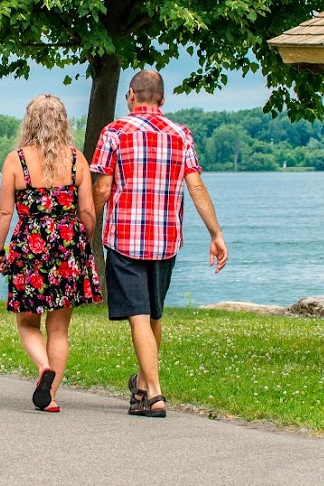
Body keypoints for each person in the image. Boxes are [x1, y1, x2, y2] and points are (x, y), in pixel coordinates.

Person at [90, 70, 227, 418]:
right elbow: (195, 187)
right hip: (166, 240)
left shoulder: (114, 133)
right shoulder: (181, 135)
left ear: (131, 96)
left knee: (138, 315)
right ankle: (140, 386)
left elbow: (103, 188)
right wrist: (216, 233)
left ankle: (154, 393)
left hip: (124, 238)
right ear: (162, 100)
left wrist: (85, 221)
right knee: (153, 314)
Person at [0, 95, 101, 413]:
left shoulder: (17, 160)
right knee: (59, 329)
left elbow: (3, 212)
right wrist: (82, 246)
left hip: (30, 246)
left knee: (27, 323)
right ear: (64, 122)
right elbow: (88, 211)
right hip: (68, 247)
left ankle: (43, 367)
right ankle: (50, 396)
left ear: (29, 121)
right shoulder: (76, 159)